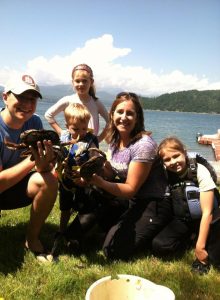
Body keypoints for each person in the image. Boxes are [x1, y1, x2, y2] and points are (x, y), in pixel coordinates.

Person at [87, 92, 172, 260]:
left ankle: (160, 228)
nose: (124, 117)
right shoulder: (114, 139)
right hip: (133, 200)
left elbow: (130, 189)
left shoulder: (143, 145)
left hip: (155, 201)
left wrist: (100, 182)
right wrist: (98, 164)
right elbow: (112, 172)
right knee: (96, 206)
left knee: (112, 251)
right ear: (112, 114)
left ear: (137, 117)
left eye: (130, 113)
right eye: (119, 112)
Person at [0, 74, 58, 257]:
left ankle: (32, 239)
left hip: (15, 186)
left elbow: (41, 169)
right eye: (21, 97)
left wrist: (44, 162)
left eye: (32, 99)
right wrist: (31, 160)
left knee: (49, 180)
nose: (27, 104)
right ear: (5, 97)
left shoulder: (34, 123)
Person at [152, 137, 220, 274]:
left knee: (215, 258)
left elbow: (207, 212)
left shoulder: (199, 171)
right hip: (185, 220)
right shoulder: (167, 174)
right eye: (167, 159)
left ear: (184, 152)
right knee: (159, 246)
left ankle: (201, 244)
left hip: (210, 219)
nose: (173, 162)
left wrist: (200, 248)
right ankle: (192, 239)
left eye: (176, 156)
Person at [56, 102, 99, 233]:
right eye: (75, 129)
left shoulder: (90, 140)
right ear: (67, 127)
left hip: (83, 180)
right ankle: (62, 230)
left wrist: (86, 179)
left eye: (84, 129)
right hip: (66, 180)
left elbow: (95, 161)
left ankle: (80, 230)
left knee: (83, 205)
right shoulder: (64, 138)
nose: (81, 133)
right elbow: (58, 155)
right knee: (65, 206)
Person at [44, 63, 109, 142]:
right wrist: (61, 132)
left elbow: (110, 121)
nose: (81, 84)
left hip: (90, 144)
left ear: (91, 82)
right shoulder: (67, 100)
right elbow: (48, 115)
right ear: (73, 82)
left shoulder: (96, 103)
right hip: (71, 143)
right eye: (77, 81)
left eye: (84, 81)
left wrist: (99, 138)